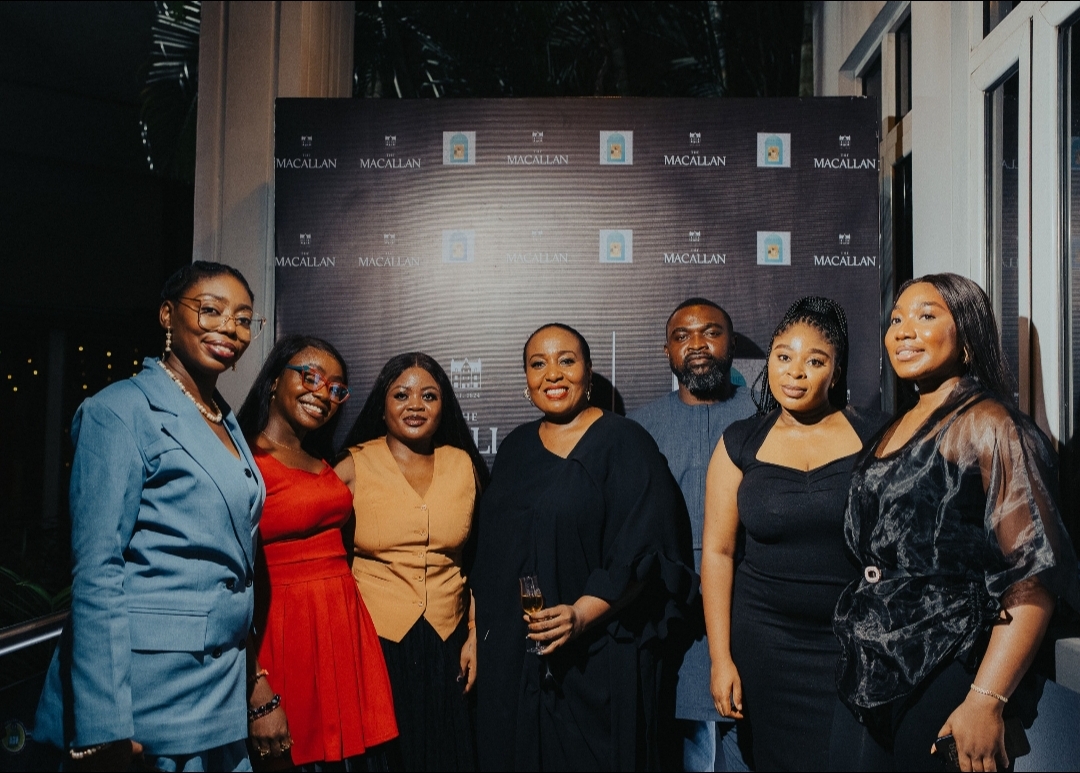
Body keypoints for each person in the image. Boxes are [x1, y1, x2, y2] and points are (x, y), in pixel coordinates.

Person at [830, 273, 1080, 772]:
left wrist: (985, 701)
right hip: (870, 670)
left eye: (926, 316)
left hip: (946, 668)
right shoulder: (896, 424)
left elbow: (1033, 579)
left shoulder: (991, 424)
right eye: (896, 319)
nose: (903, 330)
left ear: (966, 335)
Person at [33, 261, 267, 771]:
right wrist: (103, 730)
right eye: (211, 310)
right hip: (146, 698)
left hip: (217, 689)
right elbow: (98, 571)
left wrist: (256, 687)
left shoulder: (222, 417)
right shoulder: (119, 410)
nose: (229, 328)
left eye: (244, 319)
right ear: (167, 315)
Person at [472, 323, 697, 771]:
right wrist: (477, 633)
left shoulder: (625, 442)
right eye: (538, 364)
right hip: (515, 659)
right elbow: (491, 556)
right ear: (526, 379)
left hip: (596, 660)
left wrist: (579, 616)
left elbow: (645, 552)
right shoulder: (515, 448)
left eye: (566, 361)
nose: (552, 374)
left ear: (588, 372)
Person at [700, 297, 886, 771]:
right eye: (783, 356)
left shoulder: (878, 435)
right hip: (765, 646)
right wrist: (721, 659)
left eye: (815, 361)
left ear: (836, 370)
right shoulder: (739, 442)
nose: (795, 372)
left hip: (854, 645)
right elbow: (718, 553)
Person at [236, 335, 398, 769]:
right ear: (274, 381)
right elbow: (225, 581)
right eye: (310, 377)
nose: (323, 393)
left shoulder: (322, 459)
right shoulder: (244, 460)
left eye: (336, 388)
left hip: (344, 632)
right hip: (282, 634)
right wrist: (255, 685)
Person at [335, 353, 489, 772]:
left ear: (444, 405)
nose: (415, 405)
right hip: (373, 642)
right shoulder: (353, 464)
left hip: (448, 643)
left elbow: (482, 561)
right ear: (382, 405)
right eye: (401, 395)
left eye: (429, 396)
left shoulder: (464, 465)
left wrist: (475, 635)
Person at [628, 298, 755, 772]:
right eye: (682, 336)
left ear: (732, 344)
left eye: (710, 332)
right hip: (673, 622)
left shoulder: (767, 417)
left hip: (754, 609)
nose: (697, 344)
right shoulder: (638, 429)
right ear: (667, 351)